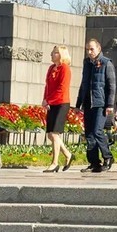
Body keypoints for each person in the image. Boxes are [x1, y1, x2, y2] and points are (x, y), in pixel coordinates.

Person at [76, 39, 116, 173]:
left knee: (97, 131)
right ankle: (94, 162)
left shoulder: (106, 63)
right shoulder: (87, 63)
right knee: (89, 134)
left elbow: (111, 85)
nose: (89, 52)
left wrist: (110, 104)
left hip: (101, 104)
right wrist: (78, 103)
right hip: (88, 103)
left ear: (98, 49)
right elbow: (83, 83)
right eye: (87, 49)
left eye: (91, 49)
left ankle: (108, 157)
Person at [41, 45, 74, 173]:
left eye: (55, 53)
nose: (52, 54)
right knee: (50, 134)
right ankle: (68, 154)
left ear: (61, 55)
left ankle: (54, 163)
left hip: (61, 103)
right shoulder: (51, 68)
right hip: (52, 103)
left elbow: (62, 88)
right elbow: (48, 86)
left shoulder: (65, 68)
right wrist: (45, 100)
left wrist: (49, 99)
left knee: (55, 133)